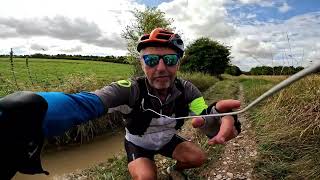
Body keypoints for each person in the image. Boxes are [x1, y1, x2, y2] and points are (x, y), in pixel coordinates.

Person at [0, 28, 241, 180]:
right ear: (142, 63)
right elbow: (86, 103)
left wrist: (219, 115)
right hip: (138, 143)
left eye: (169, 59)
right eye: (151, 60)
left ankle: (173, 170)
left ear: (178, 63)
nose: (160, 68)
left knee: (198, 158)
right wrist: (30, 113)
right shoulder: (129, 88)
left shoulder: (188, 89)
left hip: (167, 140)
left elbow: (204, 115)